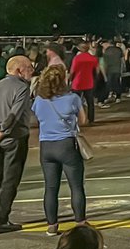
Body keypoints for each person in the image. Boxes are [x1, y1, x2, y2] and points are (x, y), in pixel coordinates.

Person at [0, 55, 35, 234]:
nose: (32, 71)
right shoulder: (21, 88)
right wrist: (0, 135)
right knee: (10, 179)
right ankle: (1, 219)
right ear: (19, 70)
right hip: (14, 137)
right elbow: (14, 115)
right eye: (29, 68)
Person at [32, 64, 88, 235]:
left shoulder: (39, 100)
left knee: (50, 188)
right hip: (66, 144)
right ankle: (80, 222)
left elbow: (37, 118)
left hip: (46, 146)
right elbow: (83, 120)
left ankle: (52, 225)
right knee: (76, 186)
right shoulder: (72, 98)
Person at [69, 40, 100, 124]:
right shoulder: (93, 58)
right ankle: (91, 119)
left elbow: (72, 71)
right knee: (90, 102)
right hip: (89, 82)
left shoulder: (76, 58)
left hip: (77, 82)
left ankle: (75, 119)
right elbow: (97, 71)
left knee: (75, 102)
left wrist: (70, 80)